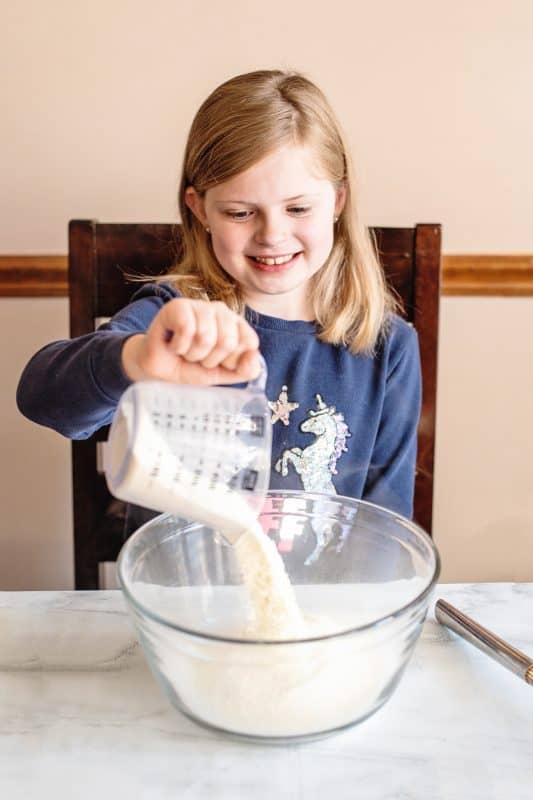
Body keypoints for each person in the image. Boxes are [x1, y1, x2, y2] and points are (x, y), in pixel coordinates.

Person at [17, 69, 421, 540]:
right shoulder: (174, 322)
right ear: (199, 209)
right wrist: (136, 358)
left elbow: (386, 532)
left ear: (337, 200)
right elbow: (42, 399)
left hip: (320, 606)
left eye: (297, 209)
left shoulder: (386, 346)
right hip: (182, 599)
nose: (272, 234)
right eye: (240, 212)